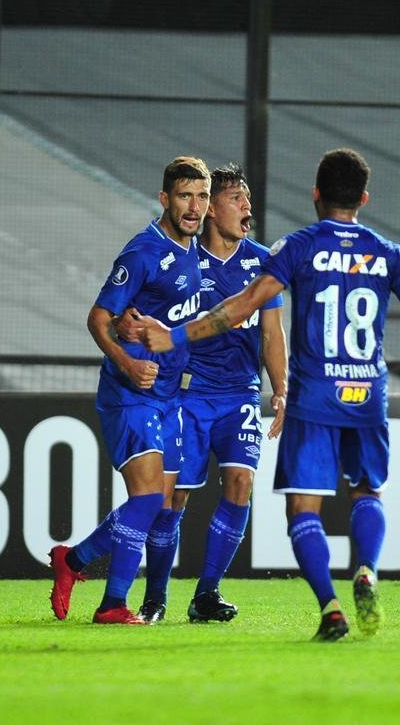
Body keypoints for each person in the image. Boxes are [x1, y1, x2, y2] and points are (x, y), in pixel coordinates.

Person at [141, 148, 400, 641]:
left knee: (304, 509)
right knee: (367, 492)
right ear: (364, 198)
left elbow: (243, 306)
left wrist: (174, 336)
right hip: (368, 393)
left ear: (315, 195)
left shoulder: (295, 248)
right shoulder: (388, 252)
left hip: (315, 395)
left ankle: (329, 605)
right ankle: (366, 569)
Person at [48, 156, 210, 625]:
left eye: (200, 197)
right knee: (146, 500)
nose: (194, 206)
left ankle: (73, 562)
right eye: (185, 196)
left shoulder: (194, 250)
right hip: (130, 394)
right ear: (165, 199)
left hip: (171, 397)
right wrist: (126, 359)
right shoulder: (142, 253)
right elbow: (98, 319)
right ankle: (113, 604)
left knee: (160, 506)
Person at [127, 163, 289, 624]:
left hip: (240, 393)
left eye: (248, 200)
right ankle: (154, 599)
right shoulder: (183, 261)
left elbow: (273, 334)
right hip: (187, 396)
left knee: (241, 482)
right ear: (212, 208)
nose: (247, 208)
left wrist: (281, 389)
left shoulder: (262, 263)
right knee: (170, 499)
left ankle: (206, 595)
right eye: (237, 199)